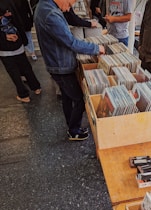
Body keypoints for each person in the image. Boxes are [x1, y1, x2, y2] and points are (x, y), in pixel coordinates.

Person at [34, 0, 105, 141]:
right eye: (71, 1)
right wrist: (96, 49)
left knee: (67, 96)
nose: (70, 6)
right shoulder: (51, 14)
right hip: (60, 65)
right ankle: (73, 131)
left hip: (57, 62)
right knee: (79, 98)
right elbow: (71, 42)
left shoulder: (44, 5)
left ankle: (70, 125)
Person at [0, 0, 41, 103]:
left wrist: (4, 37)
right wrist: (23, 39)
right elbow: (18, 20)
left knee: (14, 72)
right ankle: (36, 87)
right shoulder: (10, 3)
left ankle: (24, 95)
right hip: (18, 41)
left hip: (4, 47)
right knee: (26, 67)